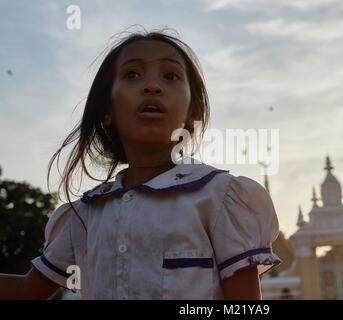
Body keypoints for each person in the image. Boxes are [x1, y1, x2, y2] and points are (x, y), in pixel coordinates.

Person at [0, 29, 281, 300]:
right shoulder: (85, 215)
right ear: (107, 110)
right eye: (132, 74)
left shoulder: (219, 199)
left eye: (170, 76)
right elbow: (28, 290)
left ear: (192, 111)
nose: (152, 86)